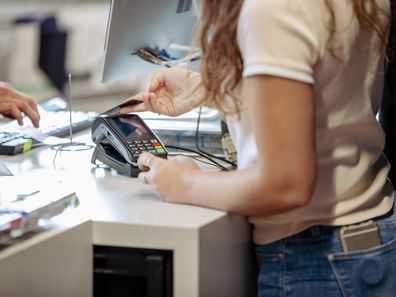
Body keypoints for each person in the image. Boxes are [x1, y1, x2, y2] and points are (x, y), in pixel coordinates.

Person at [120, 0, 396, 296]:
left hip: (315, 255)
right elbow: (330, 97)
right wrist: (213, 89)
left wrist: (182, 183)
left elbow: (285, 184)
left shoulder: (271, 9)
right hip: (370, 236)